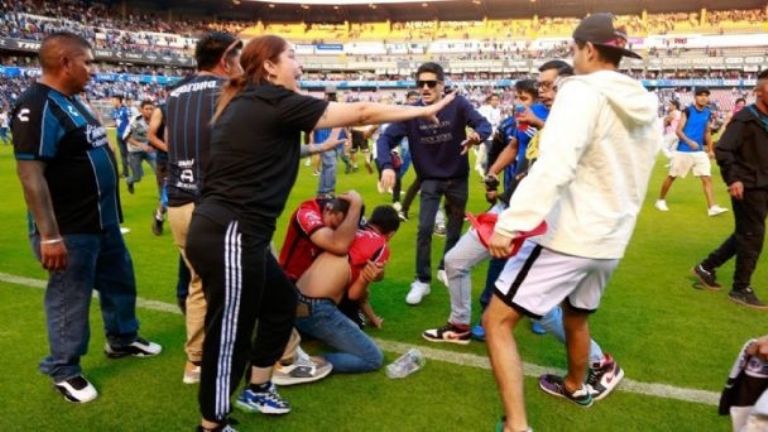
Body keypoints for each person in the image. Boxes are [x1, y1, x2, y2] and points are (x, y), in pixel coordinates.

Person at [184, 35, 455, 432]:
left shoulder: (252, 103)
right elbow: (361, 112)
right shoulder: (271, 99)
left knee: (280, 304)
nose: (299, 64)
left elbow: (270, 151)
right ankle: (212, 425)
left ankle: (258, 388)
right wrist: (423, 109)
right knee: (230, 333)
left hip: (239, 235)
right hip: (231, 235)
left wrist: (316, 149)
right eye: (292, 56)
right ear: (270, 67)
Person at [483, 14, 660, 431]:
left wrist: (511, 224)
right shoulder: (643, 101)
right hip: (611, 237)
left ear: (589, 50)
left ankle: (516, 425)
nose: (572, 57)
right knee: (576, 314)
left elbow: (556, 163)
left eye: (573, 49)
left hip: (570, 233)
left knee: (496, 320)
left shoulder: (580, 91)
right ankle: (576, 384)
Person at [11, 32, 161, 404]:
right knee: (69, 297)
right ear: (65, 62)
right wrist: (49, 235)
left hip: (102, 221)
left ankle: (123, 338)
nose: (93, 71)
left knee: (119, 282)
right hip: (69, 227)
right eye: (88, 62)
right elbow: (30, 174)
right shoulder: (37, 105)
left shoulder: (72, 101)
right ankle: (64, 368)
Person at [164, 32, 244, 385]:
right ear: (226, 59)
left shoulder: (174, 92)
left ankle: (195, 363)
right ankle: (283, 359)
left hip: (178, 203)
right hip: (215, 206)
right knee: (256, 277)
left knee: (198, 284)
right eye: (239, 58)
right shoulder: (227, 90)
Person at [378, 62, 492, 306]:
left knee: (453, 228)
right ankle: (422, 280)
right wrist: (387, 165)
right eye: (421, 84)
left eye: (431, 83)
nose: (425, 88)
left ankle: (444, 268)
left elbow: (484, 125)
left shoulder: (458, 104)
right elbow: (385, 138)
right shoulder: (411, 112)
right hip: (430, 178)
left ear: (442, 84)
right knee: (425, 228)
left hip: (457, 177)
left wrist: (476, 136)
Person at [692, 70, 768, 310]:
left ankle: (706, 267)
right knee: (753, 235)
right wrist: (733, 179)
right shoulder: (746, 118)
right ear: (759, 90)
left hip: (762, 184)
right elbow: (723, 150)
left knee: (745, 234)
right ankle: (740, 288)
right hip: (747, 186)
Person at [294, 206, 400, 373]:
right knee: (372, 358)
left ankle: (292, 339)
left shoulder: (350, 231)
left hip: (294, 299)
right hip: (317, 309)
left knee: (347, 324)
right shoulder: (381, 245)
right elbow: (354, 295)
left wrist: (371, 316)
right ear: (391, 234)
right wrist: (367, 279)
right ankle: (306, 363)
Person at [655, 87, 729, 216]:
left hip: (699, 152)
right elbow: (678, 130)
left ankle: (712, 207)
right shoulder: (687, 111)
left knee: (707, 178)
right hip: (683, 150)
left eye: (706, 95)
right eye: (701, 95)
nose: (704, 98)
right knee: (672, 176)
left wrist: (710, 150)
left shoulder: (708, 112)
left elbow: (707, 132)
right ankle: (660, 200)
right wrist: (690, 142)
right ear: (695, 97)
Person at [124, 100, 157, 194]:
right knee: (137, 177)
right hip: (134, 151)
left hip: (149, 150)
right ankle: (129, 181)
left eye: (151, 109)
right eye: (147, 109)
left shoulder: (156, 120)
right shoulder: (135, 120)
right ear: (141, 110)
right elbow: (126, 137)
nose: (149, 111)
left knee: (159, 173)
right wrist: (141, 145)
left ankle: (164, 199)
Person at [475, 93, 502, 176]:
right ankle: (487, 173)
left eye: (497, 100)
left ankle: (481, 166)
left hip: (495, 135)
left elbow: (497, 123)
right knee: (491, 154)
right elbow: (487, 122)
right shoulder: (486, 109)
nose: (495, 102)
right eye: (493, 100)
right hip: (488, 135)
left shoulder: (498, 110)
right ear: (490, 101)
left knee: (489, 153)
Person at [111, 94, 131, 177]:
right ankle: (125, 172)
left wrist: (130, 134)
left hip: (127, 136)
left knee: (130, 154)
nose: (112, 102)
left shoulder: (126, 110)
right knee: (123, 155)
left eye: (114, 100)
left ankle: (136, 170)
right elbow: (117, 123)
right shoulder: (114, 111)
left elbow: (131, 122)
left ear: (119, 100)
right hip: (119, 135)